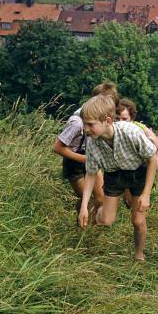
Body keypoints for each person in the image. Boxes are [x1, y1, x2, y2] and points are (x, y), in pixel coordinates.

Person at [78, 95, 158, 261]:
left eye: (90, 124)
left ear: (108, 120)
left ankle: (139, 254)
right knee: (106, 221)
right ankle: (100, 212)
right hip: (114, 176)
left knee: (138, 221)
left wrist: (146, 194)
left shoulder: (130, 131)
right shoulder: (92, 143)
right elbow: (91, 173)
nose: (86, 129)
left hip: (138, 173)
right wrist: (83, 206)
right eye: (84, 124)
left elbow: (152, 158)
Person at [53, 82, 119, 216]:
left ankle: (93, 227)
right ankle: (81, 223)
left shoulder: (103, 119)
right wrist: (84, 159)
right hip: (74, 163)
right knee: (85, 199)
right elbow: (57, 147)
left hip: (90, 158)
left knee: (101, 199)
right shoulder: (77, 122)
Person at [116, 97, 158, 208]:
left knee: (137, 210)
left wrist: (153, 167)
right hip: (123, 172)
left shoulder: (139, 128)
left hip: (141, 170)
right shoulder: (112, 130)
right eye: (117, 119)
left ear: (131, 118)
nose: (120, 123)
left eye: (124, 119)